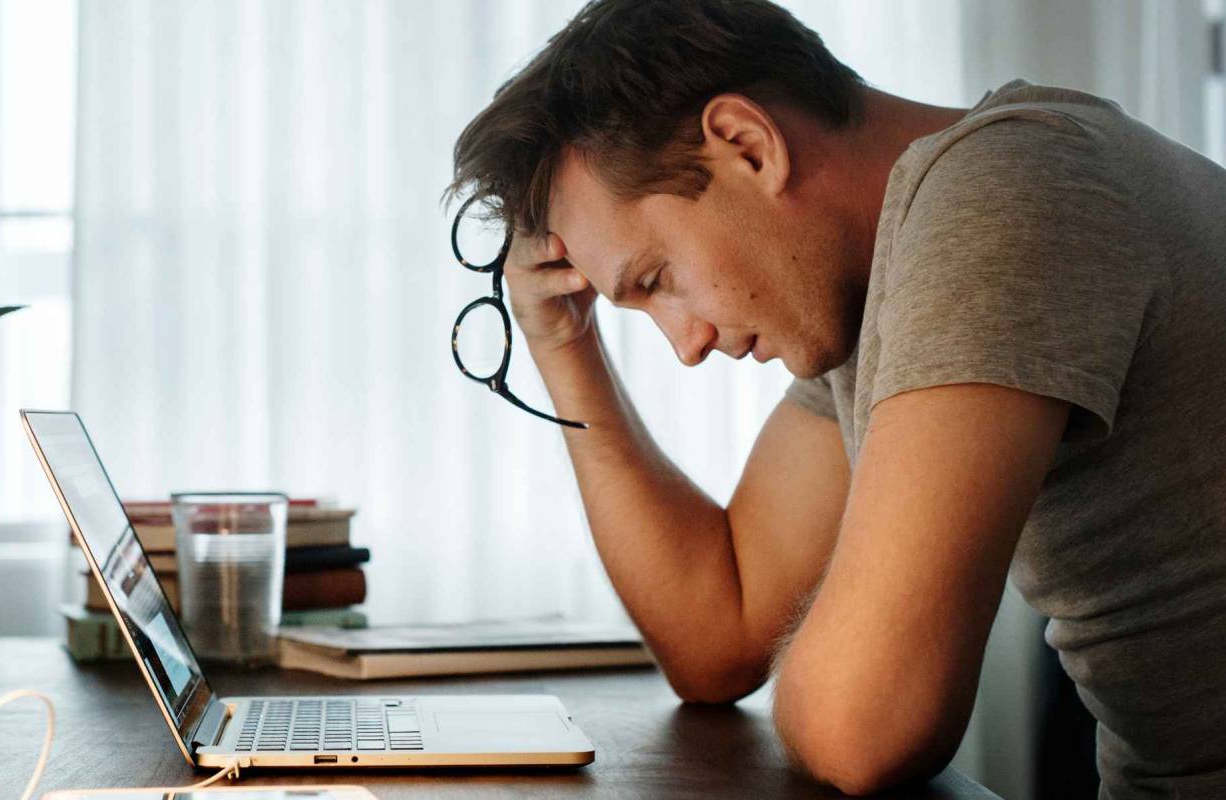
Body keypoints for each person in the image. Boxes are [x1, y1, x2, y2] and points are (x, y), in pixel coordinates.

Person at [446, 0, 1226, 796]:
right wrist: (561, 343)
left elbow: (866, 726)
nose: (686, 345)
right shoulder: (873, 290)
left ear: (746, 146)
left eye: (657, 279)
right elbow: (719, 638)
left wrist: (839, 667)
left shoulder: (1008, 190)